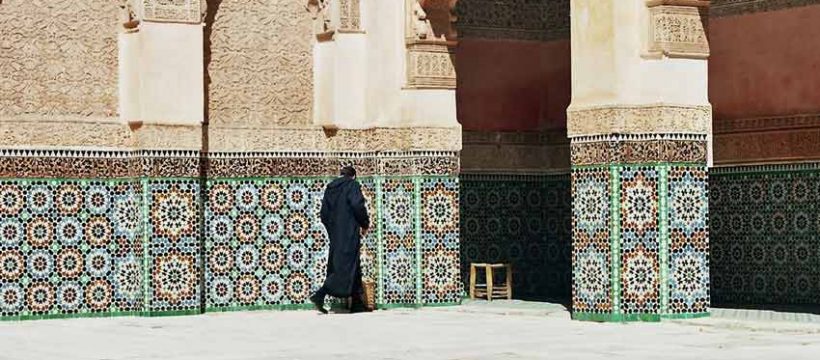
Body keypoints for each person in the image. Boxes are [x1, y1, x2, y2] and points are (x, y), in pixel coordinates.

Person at [309, 166, 370, 314]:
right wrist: (364, 223)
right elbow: (357, 205)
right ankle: (320, 294)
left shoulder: (330, 187)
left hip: (336, 234)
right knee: (344, 267)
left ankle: (357, 303)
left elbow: (323, 214)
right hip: (349, 232)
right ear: (353, 176)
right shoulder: (352, 185)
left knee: (353, 265)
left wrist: (332, 229)